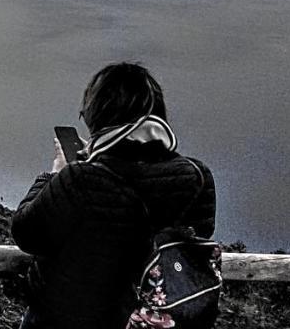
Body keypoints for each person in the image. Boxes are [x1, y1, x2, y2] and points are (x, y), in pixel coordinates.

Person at [12, 62, 215, 329]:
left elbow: (26, 233)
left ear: (98, 116)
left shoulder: (79, 179)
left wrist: (54, 174)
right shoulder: (196, 176)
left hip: (65, 320)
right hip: (150, 320)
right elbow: (198, 236)